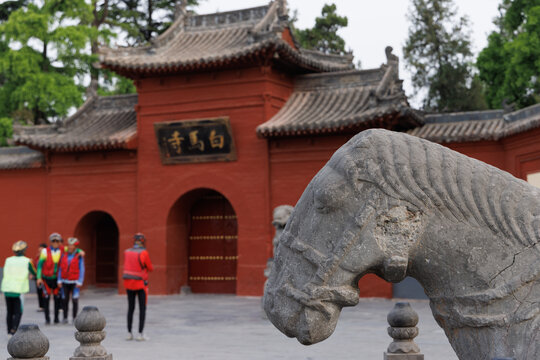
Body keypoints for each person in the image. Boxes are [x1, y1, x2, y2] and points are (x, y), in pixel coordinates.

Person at [1, 241, 36, 335]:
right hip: (18, 290)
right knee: (18, 312)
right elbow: (34, 272)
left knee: (9, 311)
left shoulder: (8, 259)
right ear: (24, 251)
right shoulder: (27, 260)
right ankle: (14, 330)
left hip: (7, 288)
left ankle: (9, 330)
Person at [123, 233, 153, 341]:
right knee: (142, 308)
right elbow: (150, 267)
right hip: (140, 283)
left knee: (130, 308)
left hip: (128, 283)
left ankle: (129, 332)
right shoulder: (144, 253)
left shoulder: (127, 252)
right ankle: (140, 333)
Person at [36, 233, 64, 324]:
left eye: (57, 241)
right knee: (46, 299)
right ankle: (47, 319)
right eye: (53, 241)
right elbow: (39, 265)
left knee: (57, 298)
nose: (55, 242)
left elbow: (75, 248)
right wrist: (38, 277)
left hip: (57, 279)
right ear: (51, 242)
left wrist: (80, 251)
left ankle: (56, 318)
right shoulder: (45, 251)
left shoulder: (63, 250)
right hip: (46, 279)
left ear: (60, 242)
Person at [57, 237, 85, 324]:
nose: (70, 247)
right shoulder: (64, 255)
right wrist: (59, 280)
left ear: (75, 246)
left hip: (75, 282)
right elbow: (60, 268)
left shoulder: (79, 256)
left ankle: (74, 317)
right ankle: (65, 317)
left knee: (74, 300)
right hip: (65, 281)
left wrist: (80, 281)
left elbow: (82, 268)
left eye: (72, 245)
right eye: (69, 245)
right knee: (64, 299)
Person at [33, 243, 47, 312]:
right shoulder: (37, 257)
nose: (40, 249)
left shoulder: (47, 256)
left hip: (45, 277)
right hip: (38, 277)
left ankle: (46, 306)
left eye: (42, 248)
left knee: (45, 292)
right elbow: (35, 266)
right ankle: (41, 306)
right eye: (39, 248)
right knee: (39, 291)